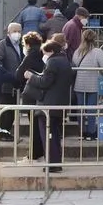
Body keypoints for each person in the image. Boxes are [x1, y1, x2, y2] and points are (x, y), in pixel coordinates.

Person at [24, 40, 73, 173]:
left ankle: (52, 164)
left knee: (48, 136)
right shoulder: (65, 61)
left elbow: (45, 82)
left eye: (45, 53)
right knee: (54, 135)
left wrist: (31, 76)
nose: (44, 56)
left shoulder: (53, 62)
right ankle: (55, 162)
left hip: (49, 106)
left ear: (51, 51)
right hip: (59, 104)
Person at [73, 29, 103, 140]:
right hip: (93, 84)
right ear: (95, 39)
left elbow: (75, 64)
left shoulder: (77, 51)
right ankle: (91, 132)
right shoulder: (97, 52)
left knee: (80, 109)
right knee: (91, 109)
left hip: (79, 84)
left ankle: (82, 132)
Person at [16, 32, 46, 161]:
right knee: (40, 125)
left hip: (32, 95)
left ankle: (34, 153)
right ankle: (39, 151)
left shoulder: (30, 57)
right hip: (42, 95)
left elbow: (19, 74)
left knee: (33, 126)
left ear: (27, 44)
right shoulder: (43, 54)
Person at [0, 23, 23, 142]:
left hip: (16, 84)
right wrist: (7, 76)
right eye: (15, 31)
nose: (17, 33)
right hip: (5, 84)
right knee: (6, 111)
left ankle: (6, 132)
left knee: (12, 111)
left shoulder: (20, 45)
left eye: (19, 31)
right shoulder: (2, 45)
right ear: (8, 32)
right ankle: (2, 133)